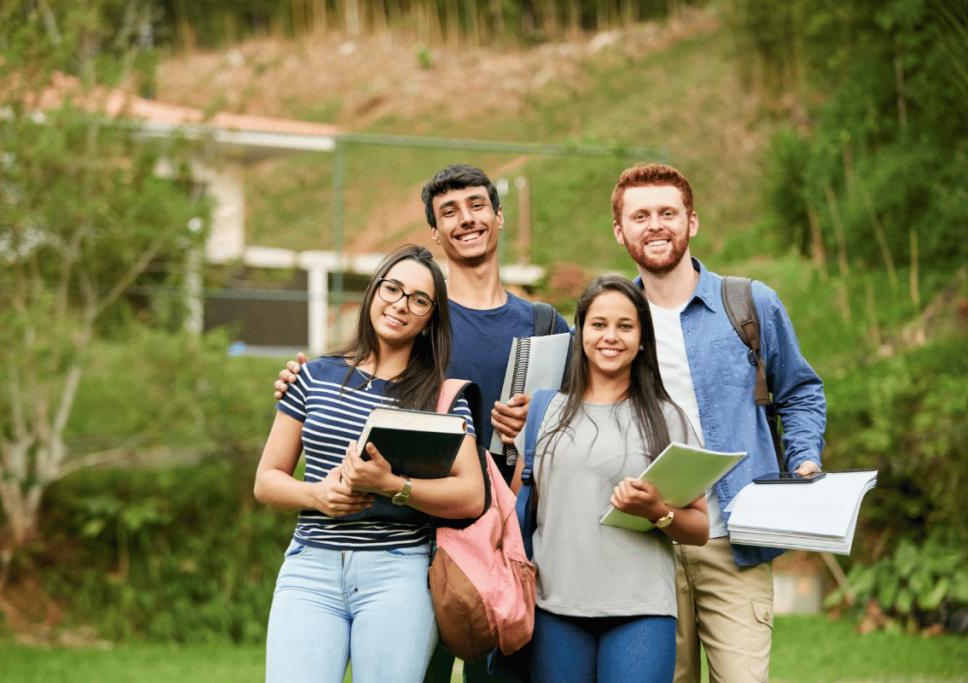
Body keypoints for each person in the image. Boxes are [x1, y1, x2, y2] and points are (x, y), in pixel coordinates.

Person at [274, 164, 571, 683]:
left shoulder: (545, 326)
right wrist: (300, 382)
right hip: (412, 543)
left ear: (499, 216)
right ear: (435, 231)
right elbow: (358, 384)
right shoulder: (415, 320)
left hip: (500, 541)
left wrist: (539, 423)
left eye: (477, 205)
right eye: (449, 212)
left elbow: (583, 424)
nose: (466, 219)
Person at [609, 162, 827, 683]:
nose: (655, 225)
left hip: (735, 543)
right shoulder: (610, 322)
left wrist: (804, 458)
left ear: (692, 221)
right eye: (640, 216)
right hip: (644, 547)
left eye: (668, 212)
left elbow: (799, 391)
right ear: (620, 231)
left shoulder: (749, 303)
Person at [254, 244, 485, 683]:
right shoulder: (312, 376)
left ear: (430, 319)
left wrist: (393, 485)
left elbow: (472, 495)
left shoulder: (442, 398)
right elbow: (266, 481)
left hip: (398, 573)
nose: (400, 304)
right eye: (392, 288)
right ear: (374, 291)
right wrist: (317, 495)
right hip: (310, 567)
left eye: (418, 299)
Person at [511, 275, 709, 683]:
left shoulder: (667, 419)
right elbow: (518, 511)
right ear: (580, 331)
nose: (611, 337)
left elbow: (700, 529)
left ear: (642, 338)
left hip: (641, 612)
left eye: (625, 326)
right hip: (553, 609)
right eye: (598, 324)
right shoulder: (544, 413)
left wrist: (657, 511)